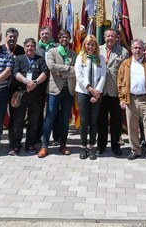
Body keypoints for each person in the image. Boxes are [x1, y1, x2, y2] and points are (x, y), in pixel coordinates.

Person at [118, 39, 146, 166]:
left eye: (139, 48)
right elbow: (120, 83)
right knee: (132, 127)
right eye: (135, 48)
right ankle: (135, 150)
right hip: (130, 99)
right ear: (131, 49)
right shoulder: (125, 64)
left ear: (143, 49)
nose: (137, 50)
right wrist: (122, 98)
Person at [39, 29, 76, 158]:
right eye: (62, 37)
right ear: (59, 39)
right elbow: (51, 66)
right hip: (54, 90)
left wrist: (62, 72)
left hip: (68, 91)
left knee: (65, 119)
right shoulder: (52, 52)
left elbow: (76, 71)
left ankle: (63, 144)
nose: (64, 39)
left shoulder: (73, 54)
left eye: (66, 37)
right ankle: (44, 146)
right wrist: (67, 69)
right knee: (49, 117)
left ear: (69, 38)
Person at [9, 37, 49, 155]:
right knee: (18, 120)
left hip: (35, 95)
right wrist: (27, 82)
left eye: (32, 46)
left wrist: (35, 82)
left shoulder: (40, 59)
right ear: (24, 47)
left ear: (35, 48)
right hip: (21, 94)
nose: (30, 48)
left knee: (34, 121)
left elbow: (45, 72)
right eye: (27, 46)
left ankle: (30, 145)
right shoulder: (19, 59)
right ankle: (16, 145)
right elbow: (15, 72)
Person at [97, 28, 129, 156]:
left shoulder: (123, 52)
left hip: (116, 92)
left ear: (117, 38)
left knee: (116, 121)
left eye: (113, 36)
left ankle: (116, 146)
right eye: (108, 36)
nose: (110, 38)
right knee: (101, 120)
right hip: (101, 91)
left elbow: (126, 74)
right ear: (104, 38)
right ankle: (101, 146)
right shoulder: (98, 49)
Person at [74, 34, 106, 160]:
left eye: (92, 44)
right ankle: (83, 146)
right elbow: (79, 76)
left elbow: (103, 76)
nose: (90, 47)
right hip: (83, 92)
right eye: (88, 44)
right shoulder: (80, 58)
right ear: (84, 45)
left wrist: (97, 92)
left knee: (94, 121)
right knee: (84, 121)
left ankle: (92, 146)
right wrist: (90, 89)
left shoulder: (100, 58)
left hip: (97, 93)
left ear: (96, 46)